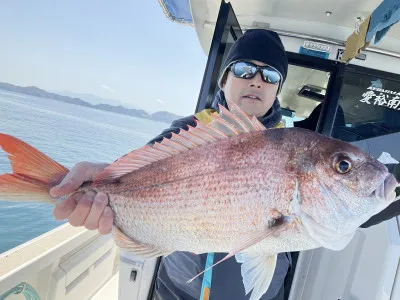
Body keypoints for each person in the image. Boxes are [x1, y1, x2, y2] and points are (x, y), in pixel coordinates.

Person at [49, 29, 400, 300]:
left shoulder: (295, 145)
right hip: (177, 291)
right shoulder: (187, 132)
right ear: (225, 78)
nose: (257, 80)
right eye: (246, 69)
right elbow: (135, 174)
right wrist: (101, 178)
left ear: (277, 90)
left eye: (271, 76)